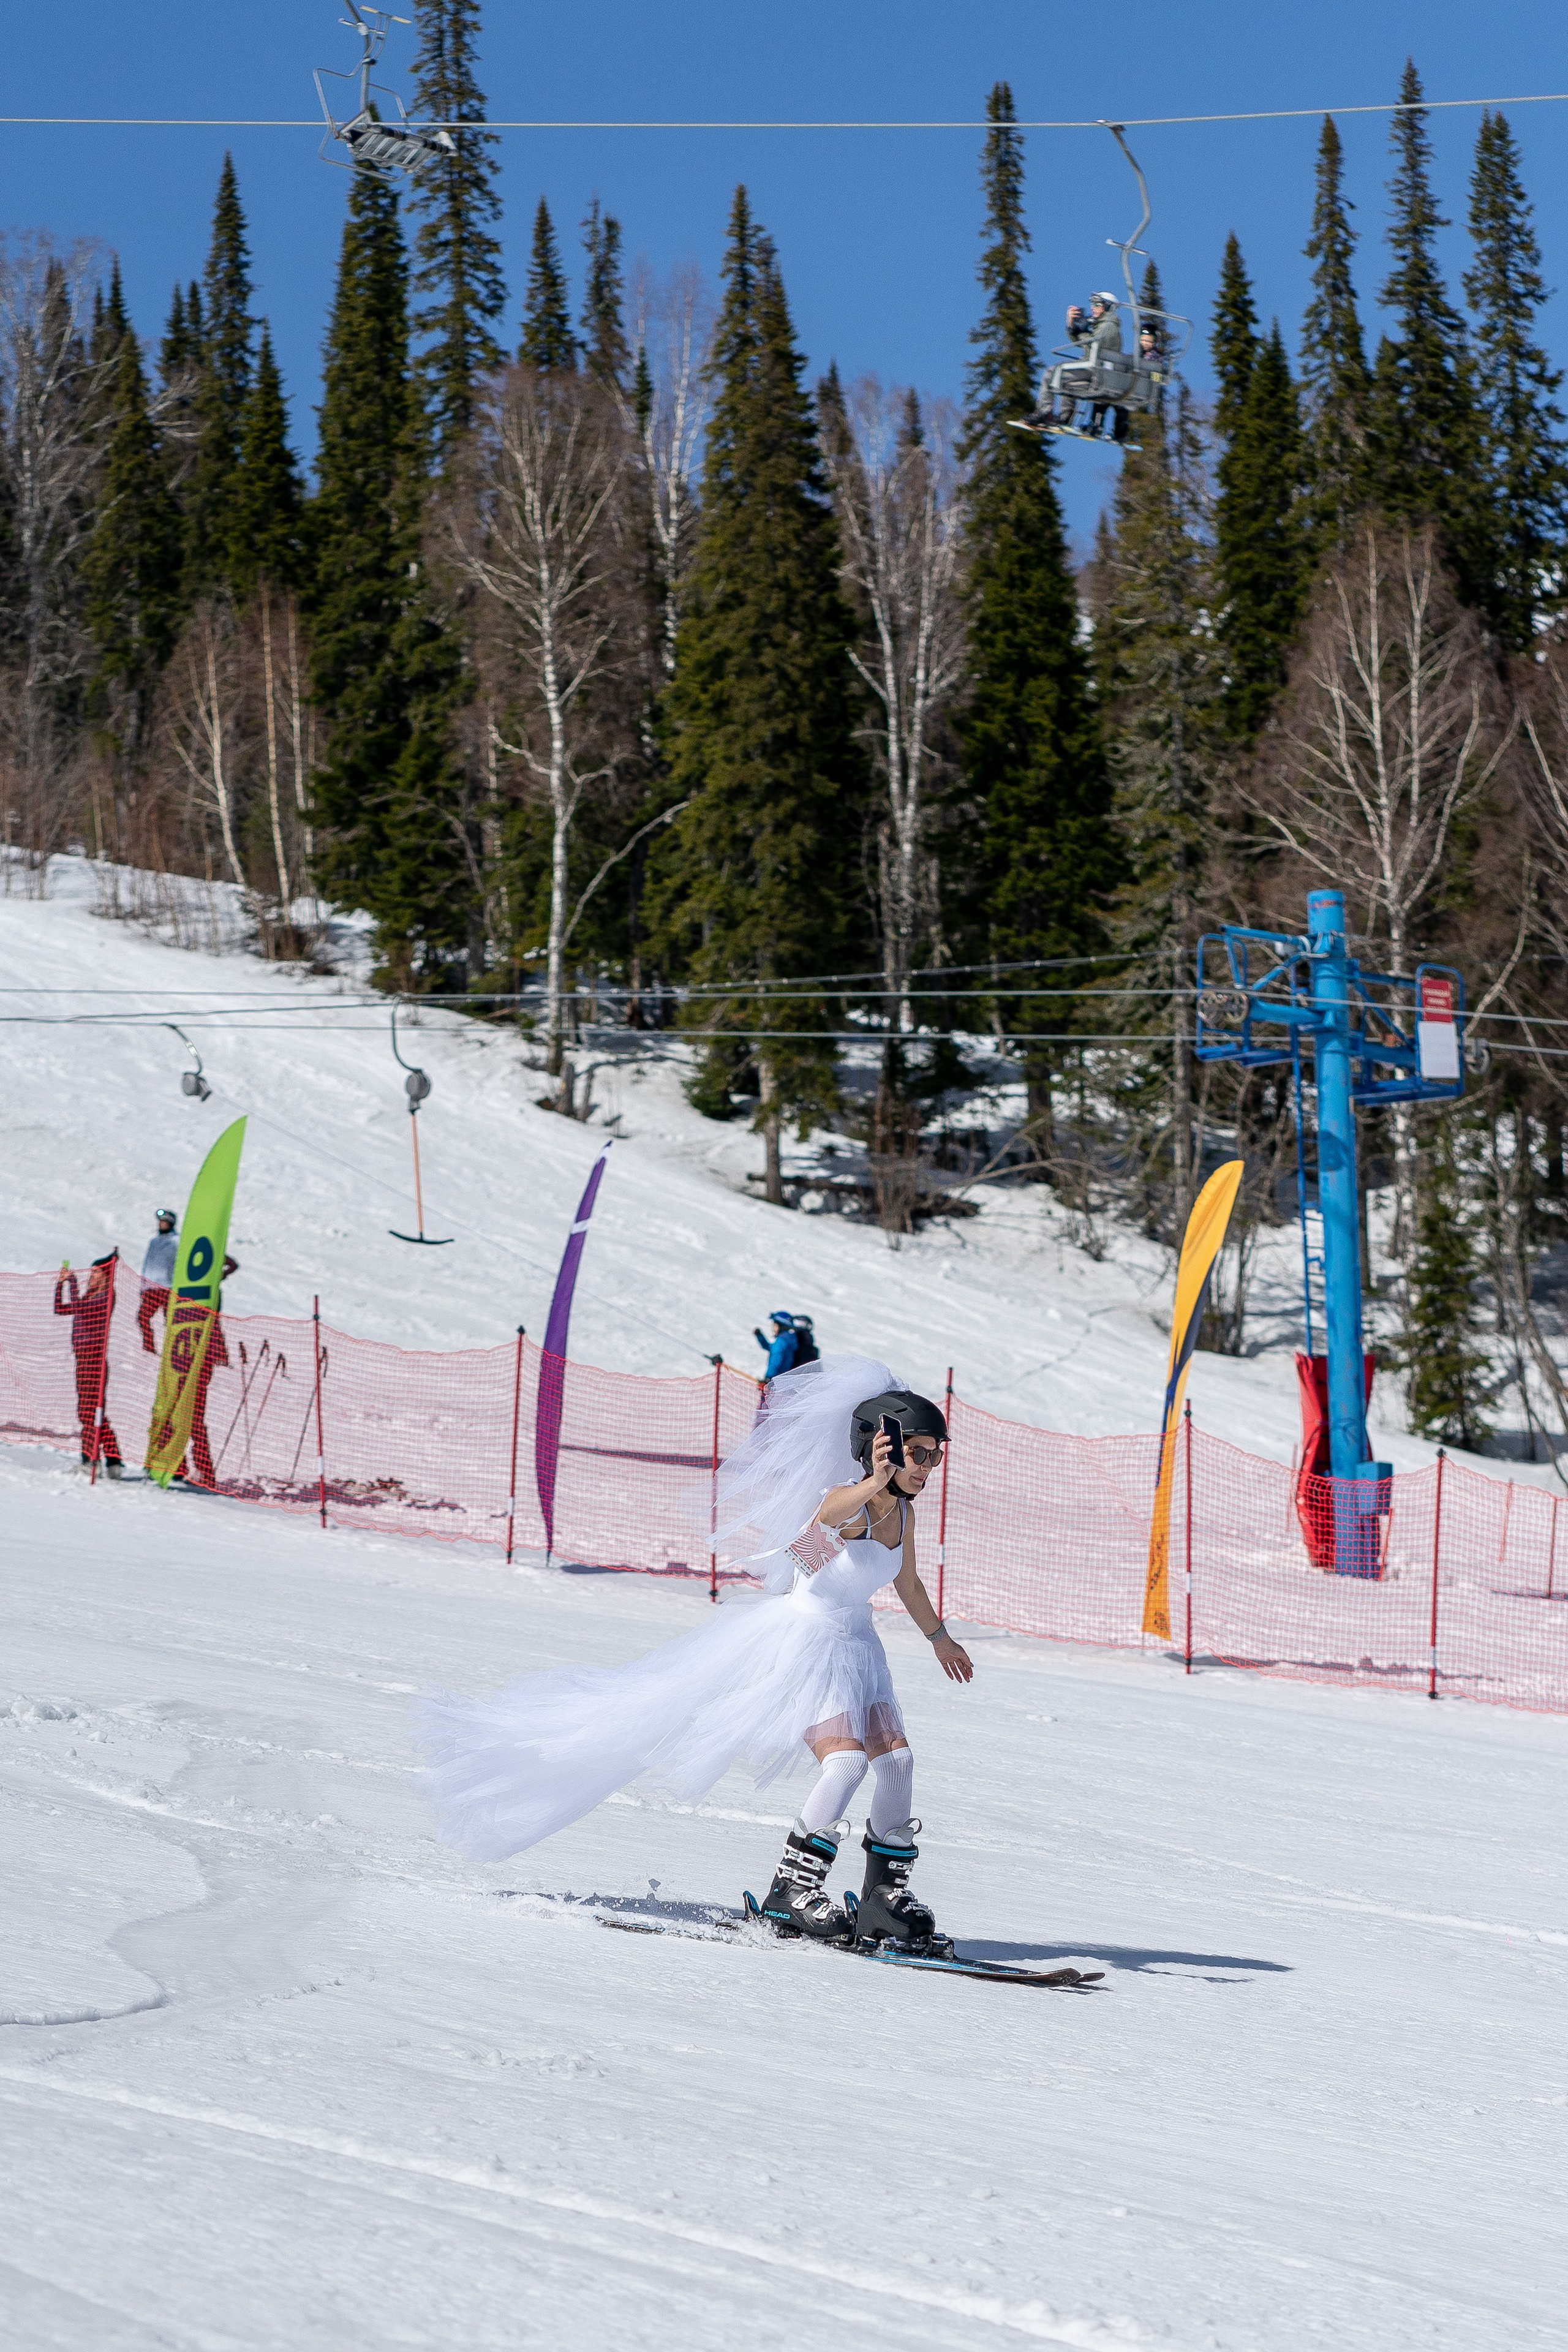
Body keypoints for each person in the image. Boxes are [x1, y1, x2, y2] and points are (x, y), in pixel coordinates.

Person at [414, 1354, 974, 1956]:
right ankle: (792, 1891)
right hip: (808, 1645)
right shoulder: (850, 1501)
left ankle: (883, 1903)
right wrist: (871, 1483)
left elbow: (909, 1584)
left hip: (859, 1643)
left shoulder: (904, 1514)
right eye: (918, 1453)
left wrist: (939, 1637)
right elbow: (818, 1530)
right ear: (879, 1447)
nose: (928, 1467)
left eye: (934, 1455)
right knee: (845, 1766)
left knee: (898, 1762)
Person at [53, 1252, 124, 1476]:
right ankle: (112, 1461)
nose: (91, 1277)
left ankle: (92, 1461)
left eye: (96, 1273)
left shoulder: (106, 1296)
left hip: (94, 1358)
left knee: (90, 1413)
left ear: (106, 1276)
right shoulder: (89, 1295)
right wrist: (60, 1285)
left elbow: (82, 1310)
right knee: (90, 1413)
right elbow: (61, 1309)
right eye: (91, 1273)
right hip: (82, 1357)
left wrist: (72, 1283)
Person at [174, 1253, 239, 1489]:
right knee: (176, 1415)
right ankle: (179, 1466)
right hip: (183, 1355)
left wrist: (218, 1250)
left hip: (200, 1357)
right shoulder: (186, 1285)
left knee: (193, 1419)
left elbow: (233, 1265)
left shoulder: (211, 1284)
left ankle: (203, 1470)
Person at [1031, 290, 1123, 437]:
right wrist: (1073, 327)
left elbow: (1093, 345)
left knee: (1052, 373)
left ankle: (1044, 411)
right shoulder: (1103, 325)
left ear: (1108, 307)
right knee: (1064, 378)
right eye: (1092, 304)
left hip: (1096, 372)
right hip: (1094, 370)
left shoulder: (1109, 326)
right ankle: (1064, 416)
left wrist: (1081, 331)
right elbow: (1086, 343)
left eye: (1097, 304)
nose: (1093, 308)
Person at [137, 1209, 178, 1354]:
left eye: (165, 1222)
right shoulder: (154, 1241)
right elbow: (148, 1264)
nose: (162, 1225)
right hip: (151, 1288)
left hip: (168, 1288)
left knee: (171, 1322)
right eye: (160, 1222)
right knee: (142, 1318)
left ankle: (173, 1352)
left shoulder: (177, 1242)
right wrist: (143, 1286)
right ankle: (149, 1348)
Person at [753, 1309, 799, 1380]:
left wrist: (768, 1378)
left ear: (782, 1326)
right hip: (783, 1381)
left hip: (774, 1381)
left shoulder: (781, 1342)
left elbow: (776, 1359)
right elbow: (771, 1348)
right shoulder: (790, 1339)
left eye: (775, 1325)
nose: (773, 1328)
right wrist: (760, 1336)